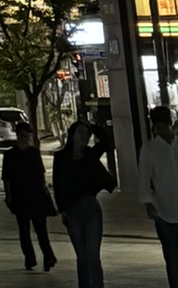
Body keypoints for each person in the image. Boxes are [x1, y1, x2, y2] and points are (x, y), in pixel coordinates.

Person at [52, 120, 114, 288]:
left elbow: (107, 141)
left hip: (90, 207)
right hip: (72, 210)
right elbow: (58, 185)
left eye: (86, 134)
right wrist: (62, 210)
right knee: (82, 256)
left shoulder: (90, 155)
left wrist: (92, 126)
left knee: (93, 255)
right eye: (80, 133)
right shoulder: (61, 158)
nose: (84, 137)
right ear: (72, 135)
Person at [2, 122, 58, 272]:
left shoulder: (33, 153)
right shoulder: (11, 155)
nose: (26, 139)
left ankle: (47, 257)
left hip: (35, 195)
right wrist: (9, 196)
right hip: (21, 195)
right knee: (25, 230)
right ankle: (31, 258)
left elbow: (40, 175)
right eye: (25, 136)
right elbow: (6, 178)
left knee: (40, 230)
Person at [138, 105, 178, 286]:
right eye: (158, 127)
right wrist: (148, 202)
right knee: (172, 256)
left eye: (164, 126)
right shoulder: (150, 149)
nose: (161, 130)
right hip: (164, 209)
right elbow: (144, 177)